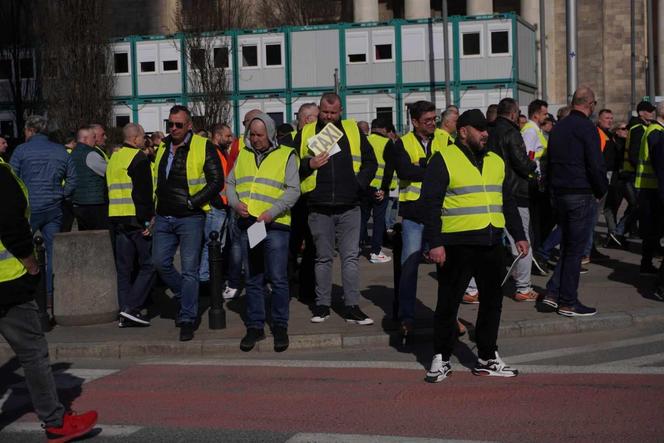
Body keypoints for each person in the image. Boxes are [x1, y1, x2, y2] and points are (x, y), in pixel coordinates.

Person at [421, 109, 528, 382]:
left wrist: (519, 235)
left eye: (486, 129)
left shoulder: (495, 160)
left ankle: (487, 356)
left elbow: (508, 201)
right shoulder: (443, 159)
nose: (485, 133)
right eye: (479, 129)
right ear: (463, 131)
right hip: (457, 244)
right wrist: (435, 243)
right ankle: (441, 357)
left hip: (491, 241)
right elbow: (430, 205)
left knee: (492, 302)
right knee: (448, 302)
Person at [0, 160, 98, 442]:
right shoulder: (1, 176)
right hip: (8, 284)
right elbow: (11, 225)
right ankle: (55, 421)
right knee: (33, 353)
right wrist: (30, 263)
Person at [293, 92, 377, 325]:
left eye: (333, 112)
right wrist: (309, 164)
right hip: (318, 205)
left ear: (341, 111)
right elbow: (291, 166)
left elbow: (370, 162)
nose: (329, 117)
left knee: (350, 258)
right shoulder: (306, 133)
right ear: (319, 110)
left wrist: (358, 185)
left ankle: (351, 306)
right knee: (323, 258)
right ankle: (322, 306)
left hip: (349, 205)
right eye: (325, 112)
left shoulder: (352, 129)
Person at [226, 113, 300, 352]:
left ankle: (280, 325)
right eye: (252, 134)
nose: (254, 139)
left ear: (269, 133)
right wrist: (236, 204)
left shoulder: (285, 154)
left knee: (278, 278)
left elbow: (293, 190)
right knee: (253, 278)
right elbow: (230, 184)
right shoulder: (244, 154)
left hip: (275, 224)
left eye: (259, 135)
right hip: (250, 225)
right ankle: (255, 326)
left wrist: (272, 212)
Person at [152, 105, 223, 341]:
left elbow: (216, 181)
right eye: (170, 124)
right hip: (163, 215)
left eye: (178, 125)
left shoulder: (204, 146)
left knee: (190, 270)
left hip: (190, 217)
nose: (173, 128)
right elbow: (158, 181)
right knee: (160, 262)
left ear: (189, 125)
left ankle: (187, 318)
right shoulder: (163, 146)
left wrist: (193, 203)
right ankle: (186, 294)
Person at [541, 87, 608, 316]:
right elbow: (595, 164)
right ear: (589, 104)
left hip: (560, 194)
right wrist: (601, 189)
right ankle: (568, 301)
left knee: (568, 246)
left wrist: (551, 191)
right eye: (595, 104)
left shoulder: (559, 127)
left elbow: (548, 162)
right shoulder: (587, 127)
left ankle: (553, 292)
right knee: (574, 251)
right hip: (580, 193)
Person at [10, 115, 77, 305]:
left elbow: (11, 178)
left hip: (29, 209)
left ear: (31, 130)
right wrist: (63, 193)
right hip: (54, 207)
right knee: (52, 253)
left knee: (22, 249)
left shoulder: (21, 151)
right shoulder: (61, 151)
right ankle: (50, 294)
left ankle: (28, 292)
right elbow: (73, 178)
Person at [393, 101, 447, 335]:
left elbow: (452, 166)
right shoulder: (401, 144)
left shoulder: (445, 139)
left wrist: (422, 168)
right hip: (413, 215)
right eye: (427, 120)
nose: (432, 123)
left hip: (441, 213)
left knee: (447, 269)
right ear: (414, 122)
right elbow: (405, 171)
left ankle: (448, 315)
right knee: (409, 267)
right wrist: (433, 170)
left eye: (434, 119)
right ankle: (407, 316)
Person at [488, 98, 539, 301]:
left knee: (488, 241)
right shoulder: (511, 133)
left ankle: (474, 288)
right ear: (512, 113)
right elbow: (522, 163)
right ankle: (523, 287)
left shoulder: (488, 132)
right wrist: (533, 164)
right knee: (521, 239)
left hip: (492, 190)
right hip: (514, 192)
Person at [107, 123, 156, 327]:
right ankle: (131, 309)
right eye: (143, 137)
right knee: (151, 265)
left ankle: (124, 313)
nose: (145, 140)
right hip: (136, 220)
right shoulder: (138, 158)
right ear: (135, 138)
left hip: (118, 219)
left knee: (124, 270)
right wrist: (148, 220)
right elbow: (142, 193)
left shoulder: (114, 158)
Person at [224, 110, 262, 300]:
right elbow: (230, 174)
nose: (249, 127)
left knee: (256, 246)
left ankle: (255, 281)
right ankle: (234, 282)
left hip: (260, 207)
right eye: (248, 123)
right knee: (238, 245)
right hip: (240, 205)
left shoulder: (269, 145)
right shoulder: (238, 144)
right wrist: (234, 201)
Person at [288, 103, 319, 302]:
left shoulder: (286, 140)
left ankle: (294, 286)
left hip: (308, 199)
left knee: (302, 246)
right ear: (308, 120)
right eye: (318, 116)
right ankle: (301, 289)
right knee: (302, 246)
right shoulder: (293, 141)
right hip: (299, 200)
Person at [198, 123, 233, 287]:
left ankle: (211, 277)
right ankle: (205, 279)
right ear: (217, 136)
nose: (230, 139)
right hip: (216, 205)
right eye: (227, 136)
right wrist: (216, 200)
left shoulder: (221, 152)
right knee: (211, 244)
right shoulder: (212, 152)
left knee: (218, 244)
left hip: (222, 205)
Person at [360, 118, 396, 263]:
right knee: (379, 220)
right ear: (384, 130)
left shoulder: (364, 141)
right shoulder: (387, 143)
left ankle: (356, 247)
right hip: (379, 189)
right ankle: (375, 252)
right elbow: (389, 168)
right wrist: (384, 188)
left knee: (362, 218)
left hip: (364, 186)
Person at [636, 101, 664, 276]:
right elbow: (659, 163)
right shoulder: (656, 132)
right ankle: (646, 264)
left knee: (653, 227)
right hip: (651, 187)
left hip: (651, 186)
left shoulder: (656, 130)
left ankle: (648, 262)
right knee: (652, 227)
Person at [70, 126, 108, 230]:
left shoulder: (73, 153)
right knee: (99, 236)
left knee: (85, 235)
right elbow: (108, 172)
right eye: (93, 137)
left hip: (78, 202)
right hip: (94, 203)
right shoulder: (91, 154)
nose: (95, 140)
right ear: (85, 139)